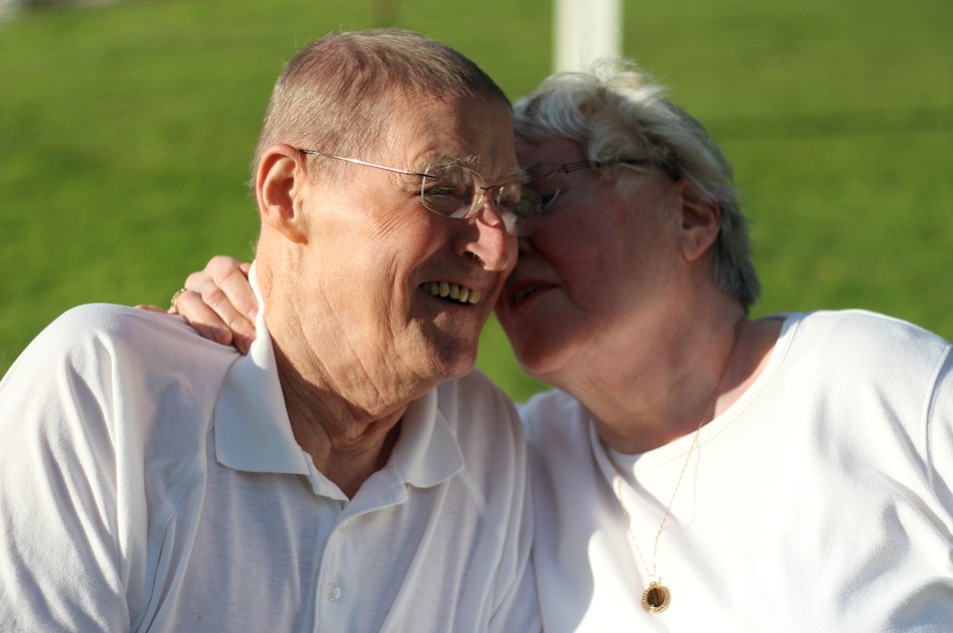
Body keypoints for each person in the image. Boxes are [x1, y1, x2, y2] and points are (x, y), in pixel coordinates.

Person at [172, 59, 953, 631]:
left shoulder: (873, 380)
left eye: (534, 196)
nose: (498, 244)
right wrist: (242, 304)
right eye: (483, 204)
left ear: (689, 217)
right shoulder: (509, 458)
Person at [0, 29, 542, 632]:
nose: (497, 247)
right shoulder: (109, 394)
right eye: (444, 190)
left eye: (509, 200)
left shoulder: (487, 445)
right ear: (287, 194)